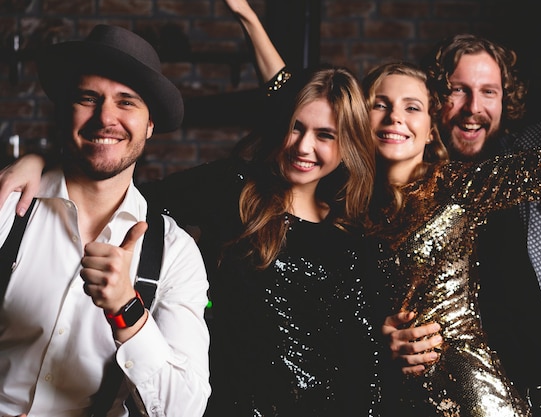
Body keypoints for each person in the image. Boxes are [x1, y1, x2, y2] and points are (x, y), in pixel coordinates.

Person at [0, 4, 383, 416]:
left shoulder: (354, 233)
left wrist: (127, 309)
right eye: (295, 127)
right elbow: (120, 182)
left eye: (325, 135)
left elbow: (359, 350)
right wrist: (41, 163)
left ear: (347, 146)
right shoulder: (235, 192)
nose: (304, 146)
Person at [385, 34, 541, 417]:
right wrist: (387, 337)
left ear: (506, 99)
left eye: (489, 92)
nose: (473, 108)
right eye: (457, 91)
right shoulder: (406, 200)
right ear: (431, 101)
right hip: (484, 399)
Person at [0, 24, 210, 416]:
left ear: (149, 125)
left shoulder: (175, 253)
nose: (105, 117)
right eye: (88, 98)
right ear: (65, 111)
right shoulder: (8, 204)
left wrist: (127, 311)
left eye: (127, 102)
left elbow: (185, 408)